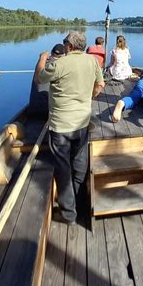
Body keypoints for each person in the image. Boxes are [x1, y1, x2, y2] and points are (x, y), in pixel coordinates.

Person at [35, 31, 104, 225]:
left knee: (63, 168)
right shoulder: (92, 61)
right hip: (82, 123)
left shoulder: (59, 63)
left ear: (69, 46)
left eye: (66, 43)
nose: (64, 46)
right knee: (80, 165)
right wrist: (89, 97)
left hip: (61, 126)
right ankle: (80, 205)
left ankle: (68, 214)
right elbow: (100, 84)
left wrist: (41, 60)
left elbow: (39, 79)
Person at [28, 43, 65, 115]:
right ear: (63, 55)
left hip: (33, 108)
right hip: (48, 111)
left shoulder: (41, 63)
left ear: (51, 52)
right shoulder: (59, 66)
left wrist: (42, 57)